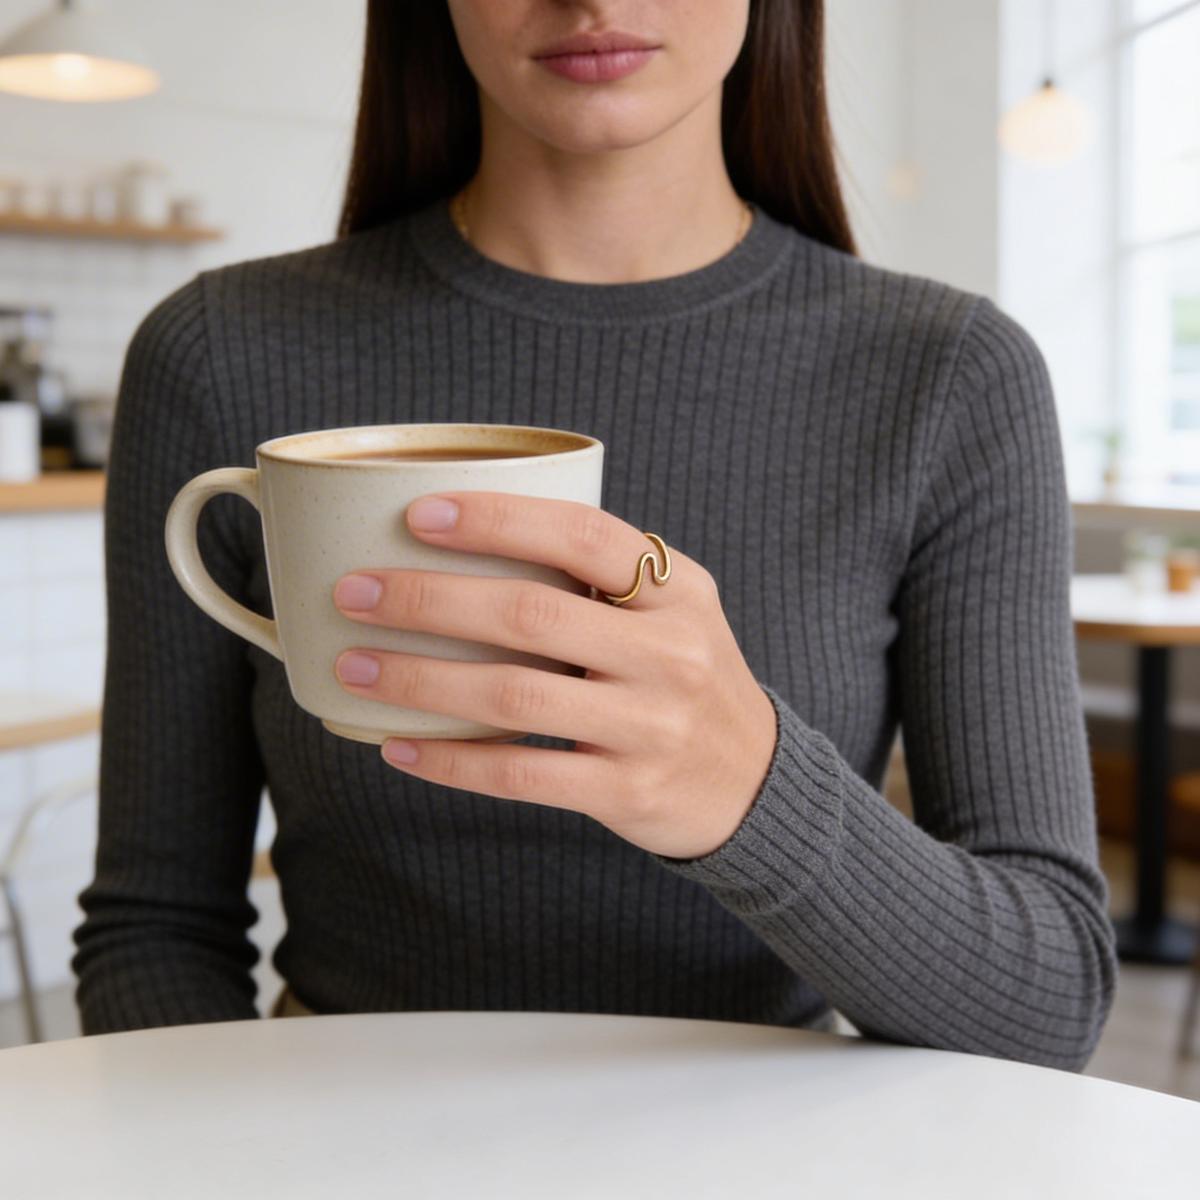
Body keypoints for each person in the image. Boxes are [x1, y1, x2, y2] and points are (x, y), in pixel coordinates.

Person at [73, 0, 1117, 1069]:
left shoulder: (950, 379)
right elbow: (156, 933)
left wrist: (744, 790)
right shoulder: (219, 354)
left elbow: (1047, 1004)